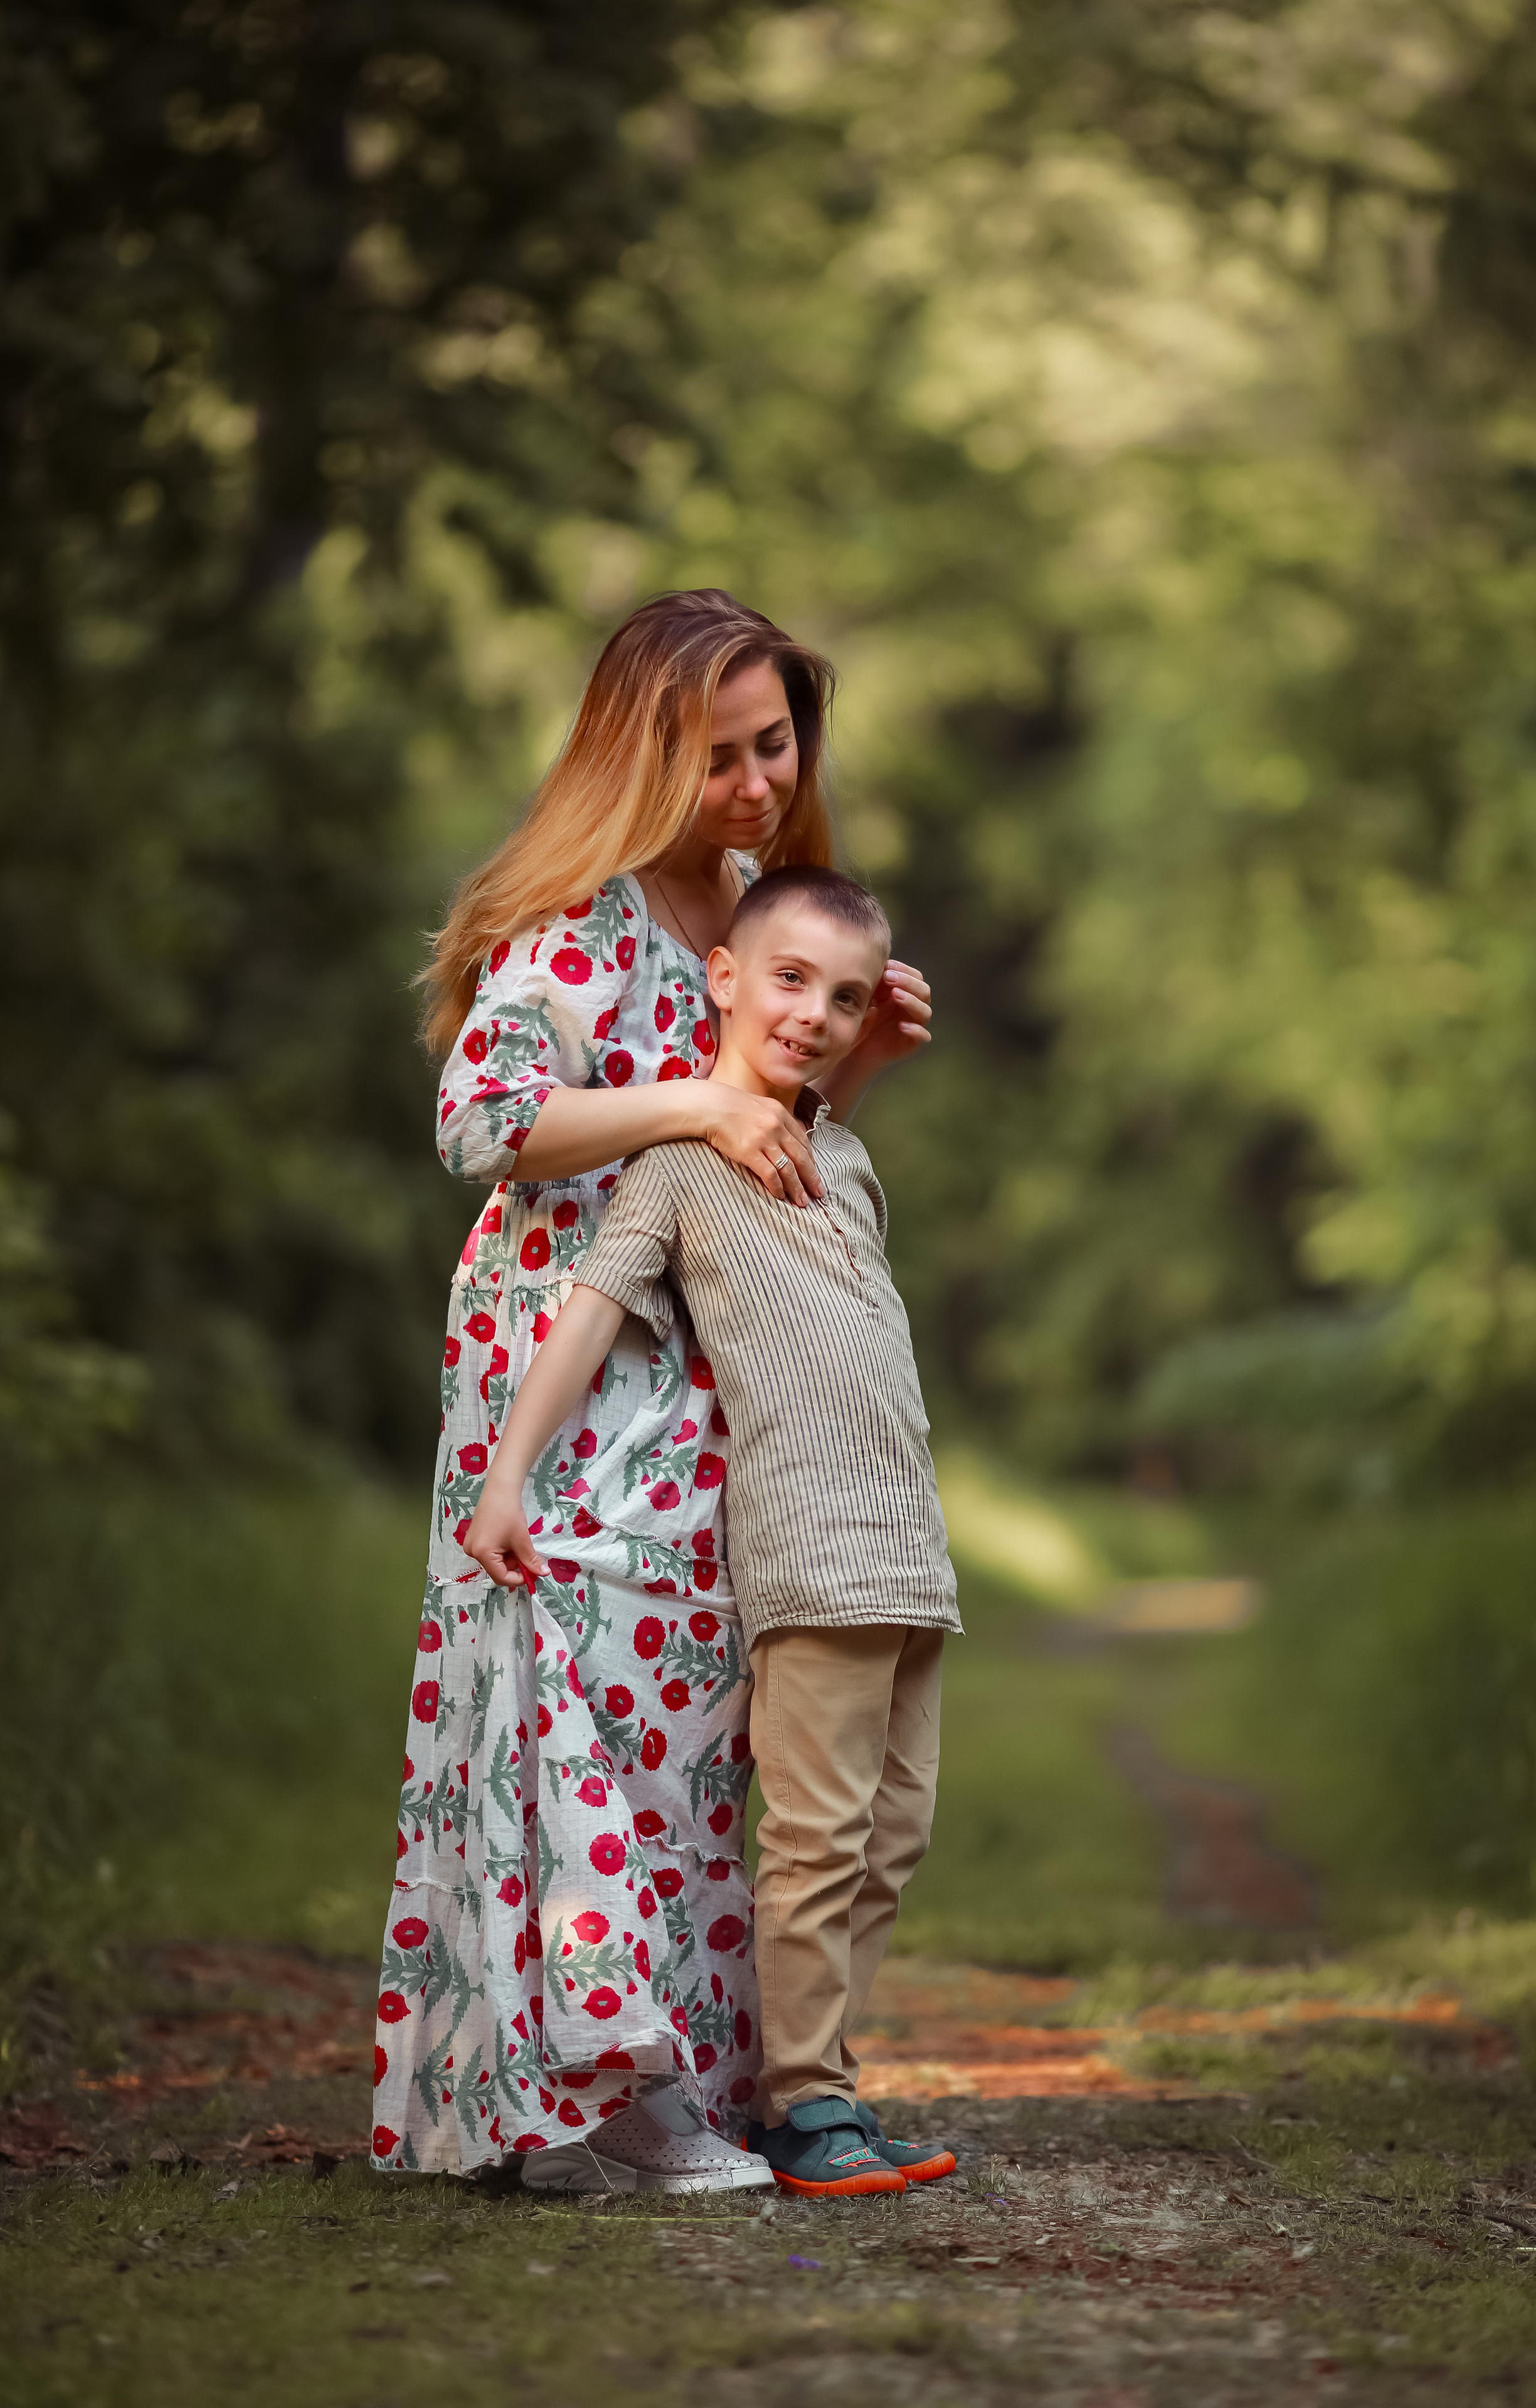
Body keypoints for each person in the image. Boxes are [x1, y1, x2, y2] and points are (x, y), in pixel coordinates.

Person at [369, 591, 933, 2192]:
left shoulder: (765, 909)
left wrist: (854, 1066)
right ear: (638, 754)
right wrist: (686, 1093)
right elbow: (479, 1129)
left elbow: (775, 1145)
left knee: (694, 1721)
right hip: (565, 1338)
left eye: (775, 745)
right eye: (717, 756)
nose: (755, 783)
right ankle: (576, 2096)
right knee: (578, 1697)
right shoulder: (576, 920)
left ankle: (670, 2073)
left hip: (709, 1366)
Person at [468, 864, 961, 2199]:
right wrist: (505, 1473)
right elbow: (589, 1305)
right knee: (812, 1842)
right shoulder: (681, 1161)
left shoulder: (843, 1158)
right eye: (789, 978)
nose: (814, 1011)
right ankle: (807, 2111)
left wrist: (852, 1088)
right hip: (807, 1560)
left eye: (845, 996)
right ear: (723, 978)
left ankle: (821, 2082)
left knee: (887, 1841)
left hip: (910, 1555)